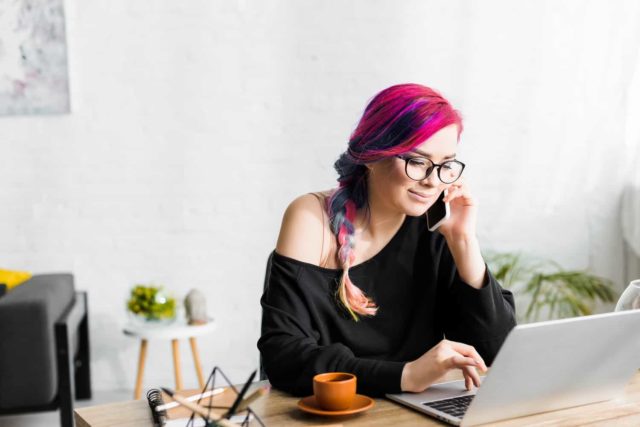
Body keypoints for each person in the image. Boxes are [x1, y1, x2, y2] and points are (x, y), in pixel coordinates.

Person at [257, 83, 516, 397]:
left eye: (445, 164)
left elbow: (498, 354)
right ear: (371, 154)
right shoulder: (312, 218)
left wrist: (464, 243)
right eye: (418, 161)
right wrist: (404, 376)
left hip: (413, 413)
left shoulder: (438, 228)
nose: (433, 181)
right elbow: (284, 357)